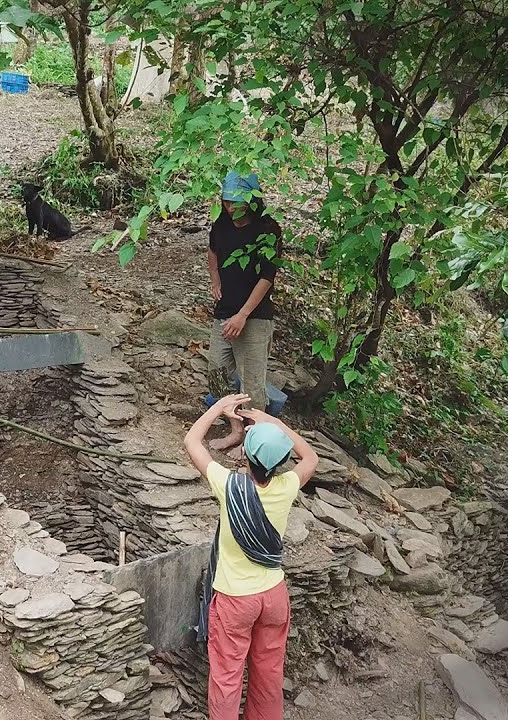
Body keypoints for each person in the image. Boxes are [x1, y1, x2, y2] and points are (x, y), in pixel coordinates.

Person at [184, 393, 317, 720]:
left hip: (235, 599)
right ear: (282, 459)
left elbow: (191, 441)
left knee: (228, 676)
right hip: (273, 596)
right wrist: (276, 423)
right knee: (269, 674)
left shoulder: (229, 486)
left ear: (245, 453)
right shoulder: (287, 485)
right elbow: (310, 457)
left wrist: (218, 408)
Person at [207, 170, 282, 452]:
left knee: (252, 382)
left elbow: (267, 277)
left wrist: (243, 315)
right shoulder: (221, 224)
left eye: (237, 202)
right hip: (224, 311)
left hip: (255, 316)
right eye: (227, 201)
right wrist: (215, 279)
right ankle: (235, 429)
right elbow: (213, 250)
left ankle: (253, 441)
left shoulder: (267, 230)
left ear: (252, 200)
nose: (231, 207)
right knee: (216, 370)